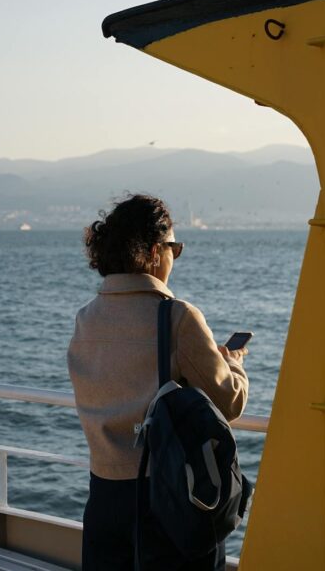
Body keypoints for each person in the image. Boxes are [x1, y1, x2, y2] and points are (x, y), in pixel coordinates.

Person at [68, 194, 249, 571]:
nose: (174, 258)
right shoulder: (177, 318)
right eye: (174, 248)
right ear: (154, 251)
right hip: (164, 499)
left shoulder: (86, 319)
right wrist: (234, 365)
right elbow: (229, 402)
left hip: (103, 496)